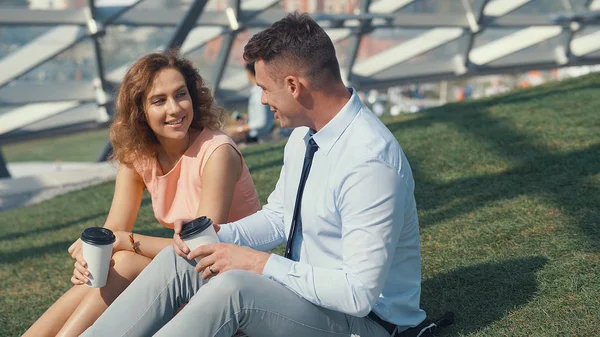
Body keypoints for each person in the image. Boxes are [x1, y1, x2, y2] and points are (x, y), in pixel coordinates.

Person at [81, 13, 428, 337]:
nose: (261, 100)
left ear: (294, 86)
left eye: (265, 88)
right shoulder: (304, 137)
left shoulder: (369, 162)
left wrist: (259, 263)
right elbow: (279, 217)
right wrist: (219, 235)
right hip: (306, 296)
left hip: (367, 323)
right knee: (182, 258)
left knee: (236, 290)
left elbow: (358, 294)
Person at [23, 51, 261, 337]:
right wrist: (89, 261)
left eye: (180, 95)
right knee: (110, 265)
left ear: (193, 97)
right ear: (141, 111)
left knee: (126, 260)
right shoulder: (139, 156)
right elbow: (113, 231)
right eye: (159, 101)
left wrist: (129, 241)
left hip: (229, 280)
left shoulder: (217, 153)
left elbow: (202, 251)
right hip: (181, 274)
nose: (174, 109)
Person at [227, 63, 275, 144]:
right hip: (261, 137)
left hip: (260, 139)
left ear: (249, 73)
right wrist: (247, 117)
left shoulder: (258, 93)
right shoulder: (258, 91)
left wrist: (238, 129)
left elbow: (262, 121)